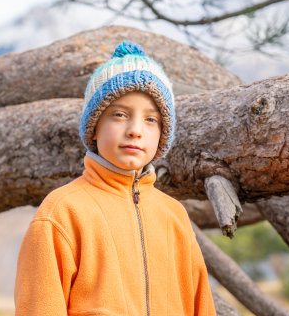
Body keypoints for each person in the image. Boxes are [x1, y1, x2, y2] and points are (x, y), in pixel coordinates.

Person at [14, 41, 216, 315]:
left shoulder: (174, 217)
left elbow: (200, 306)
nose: (135, 130)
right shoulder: (62, 213)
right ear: (94, 127)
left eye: (151, 120)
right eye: (119, 115)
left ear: (162, 134)